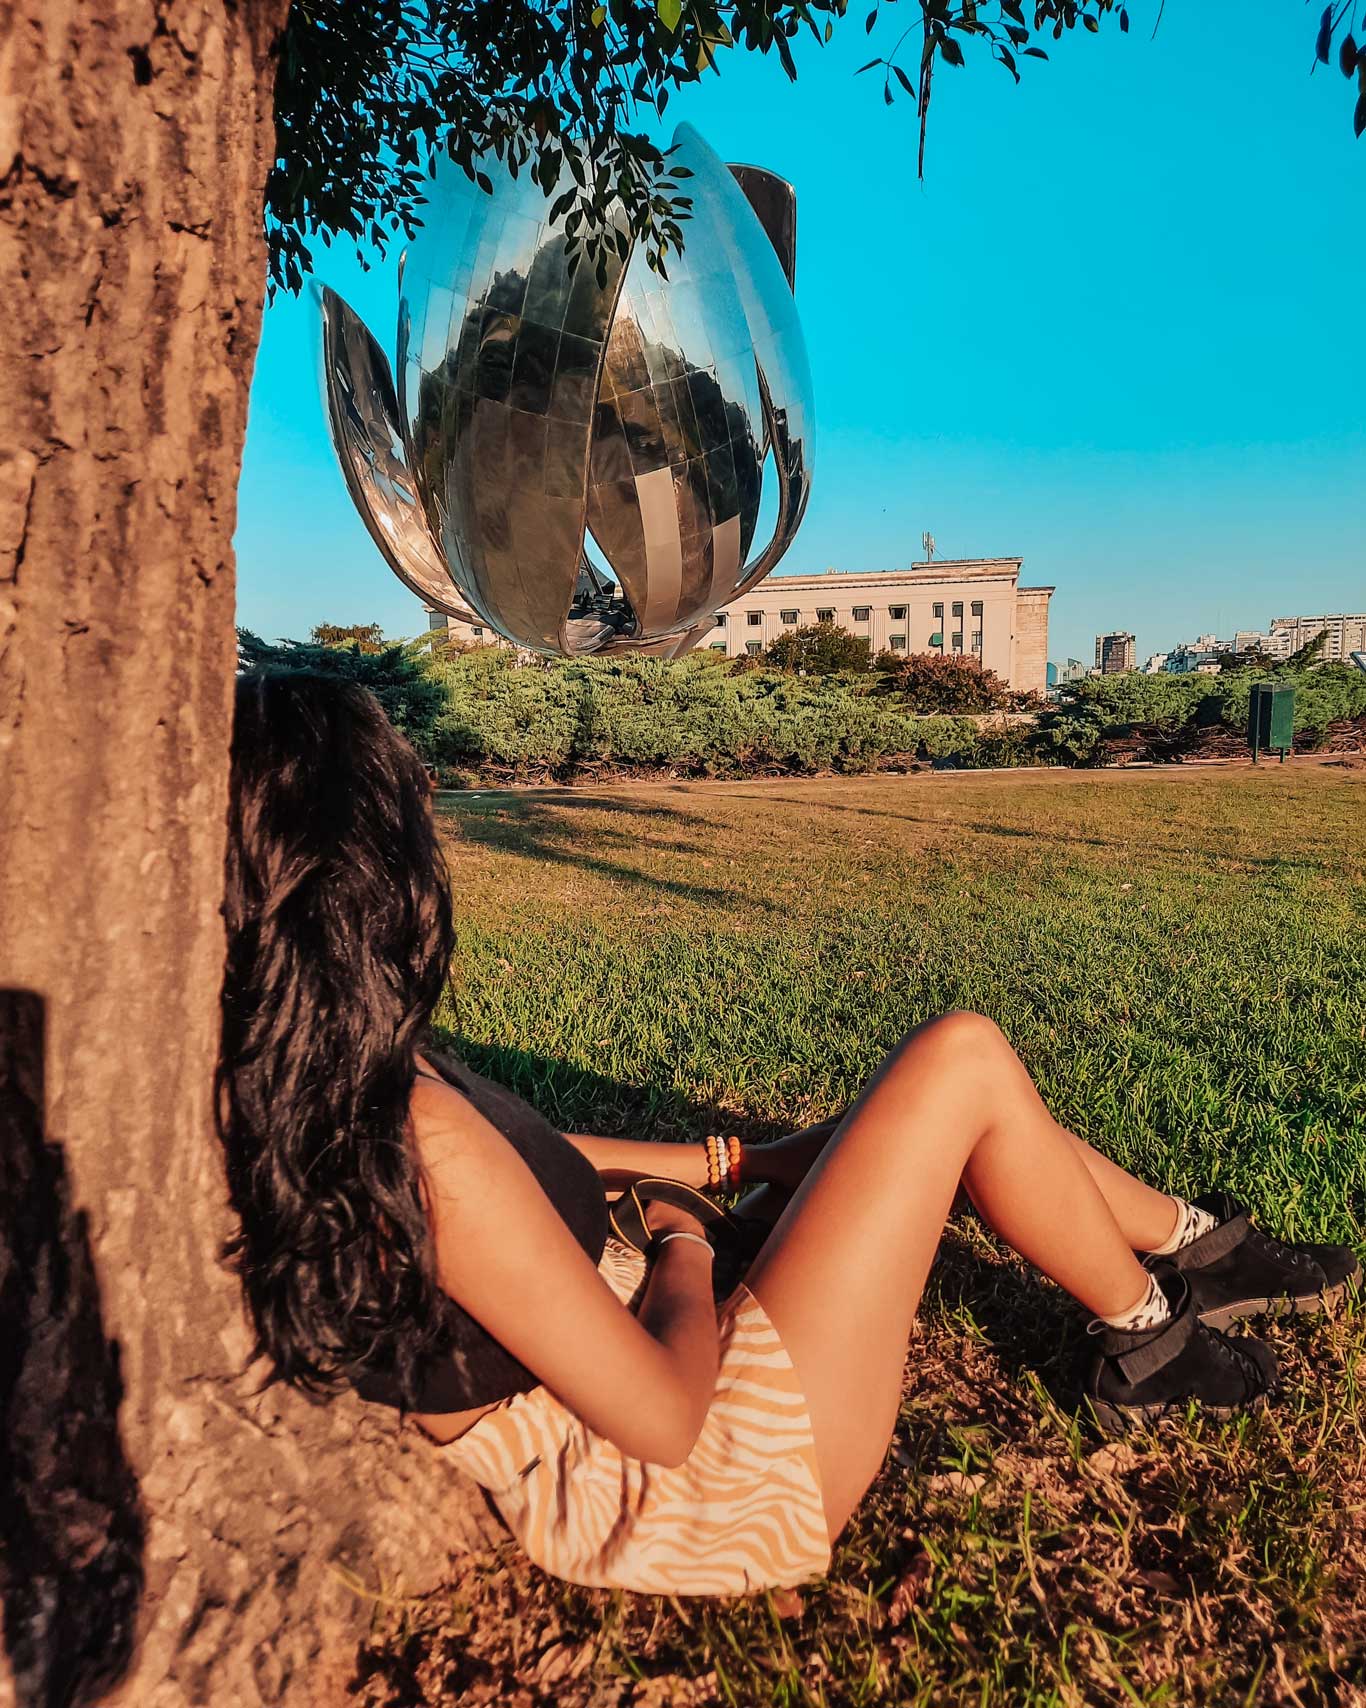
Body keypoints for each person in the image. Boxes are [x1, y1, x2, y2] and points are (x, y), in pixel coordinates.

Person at [216, 671, 1359, 1597]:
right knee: (955, 1063)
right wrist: (685, 1245)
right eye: (412, 802)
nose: (434, 824)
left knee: (942, 1100)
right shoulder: (416, 1140)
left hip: (661, 1344)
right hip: (715, 1470)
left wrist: (739, 1164)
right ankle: (1149, 1337)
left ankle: (1198, 1246)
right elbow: (662, 1419)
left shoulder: (333, 1068)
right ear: (367, 865)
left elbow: (534, 1166)